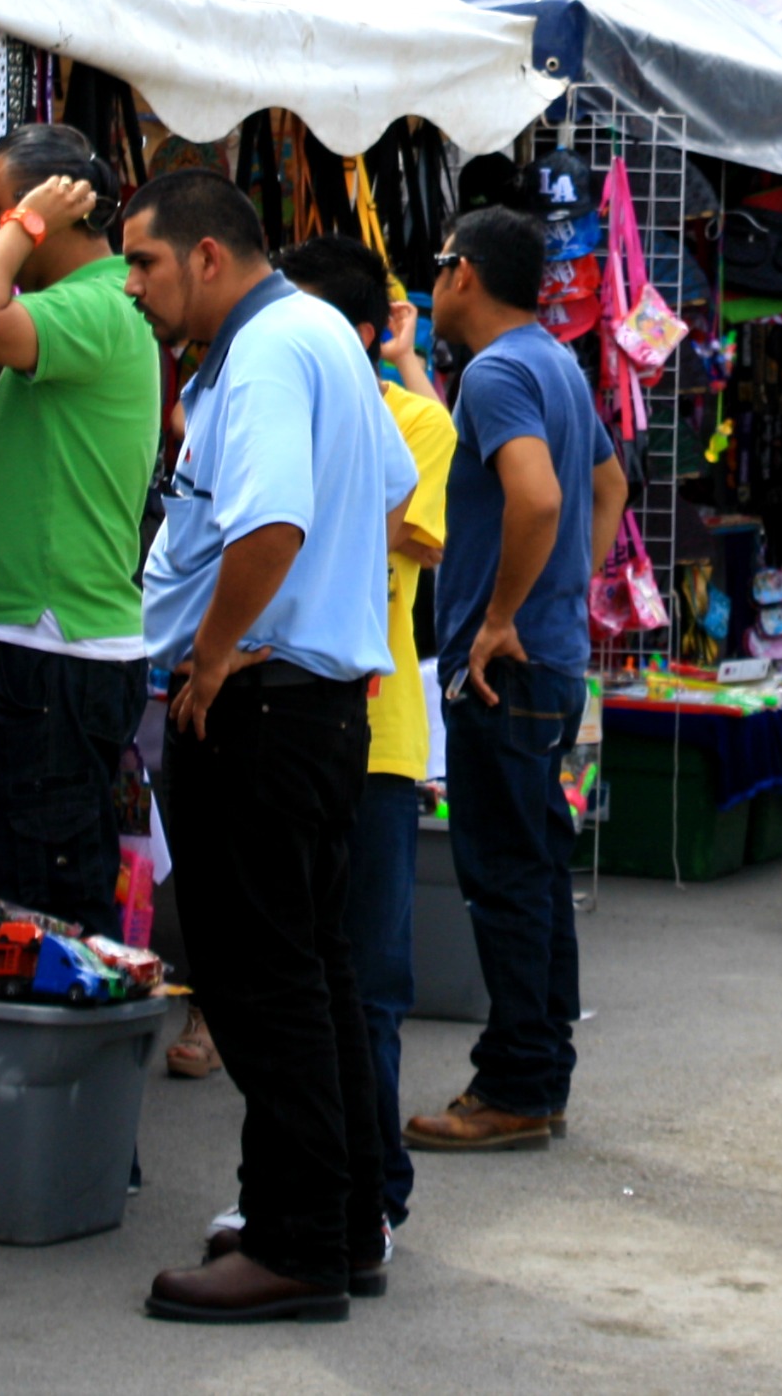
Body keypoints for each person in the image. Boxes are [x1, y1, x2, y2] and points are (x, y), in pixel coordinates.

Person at [129, 171, 414, 1324]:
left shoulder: (263, 351)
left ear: (207, 255)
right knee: (314, 975)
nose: (135, 287)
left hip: (260, 706)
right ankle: (342, 1221)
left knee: (263, 985)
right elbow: (388, 495)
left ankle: (295, 1239)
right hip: (310, 699)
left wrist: (213, 652)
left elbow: (276, 523)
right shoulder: (321, 339)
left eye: (144, 263)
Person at [406, 207, 629, 1155]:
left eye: (438, 267)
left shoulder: (497, 371)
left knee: (505, 876)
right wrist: (562, 592)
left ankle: (516, 1085)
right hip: (548, 659)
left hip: (510, 666)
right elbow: (609, 486)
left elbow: (539, 496)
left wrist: (504, 617)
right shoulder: (552, 361)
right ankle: (534, 1076)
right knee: (534, 872)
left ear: (463, 274)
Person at [0, 122, 162, 937]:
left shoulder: (89, 308)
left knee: (44, 903)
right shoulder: (86, 310)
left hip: (49, 647)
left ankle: (54, 1059)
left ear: (58, 212)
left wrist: (24, 222)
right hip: (43, 645)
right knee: (39, 886)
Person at [274, 234, 456, 1241]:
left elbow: (416, 533)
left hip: (379, 735)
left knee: (368, 978)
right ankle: (313, 1176)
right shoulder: (270, 403)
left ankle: (375, 1189)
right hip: (290, 719)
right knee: (296, 972)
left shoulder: (416, 420)